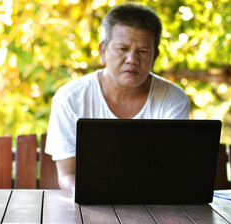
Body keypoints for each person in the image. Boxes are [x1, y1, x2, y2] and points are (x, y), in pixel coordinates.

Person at [45, 3, 190, 191]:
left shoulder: (173, 99)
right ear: (103, 52)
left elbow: (170, 170)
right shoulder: (70, 98)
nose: (132, 59)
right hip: (90, 204)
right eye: (123, 49)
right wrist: (92, 195)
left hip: (153, 205)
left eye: (143, 51)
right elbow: (67, 176)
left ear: (155, 57)